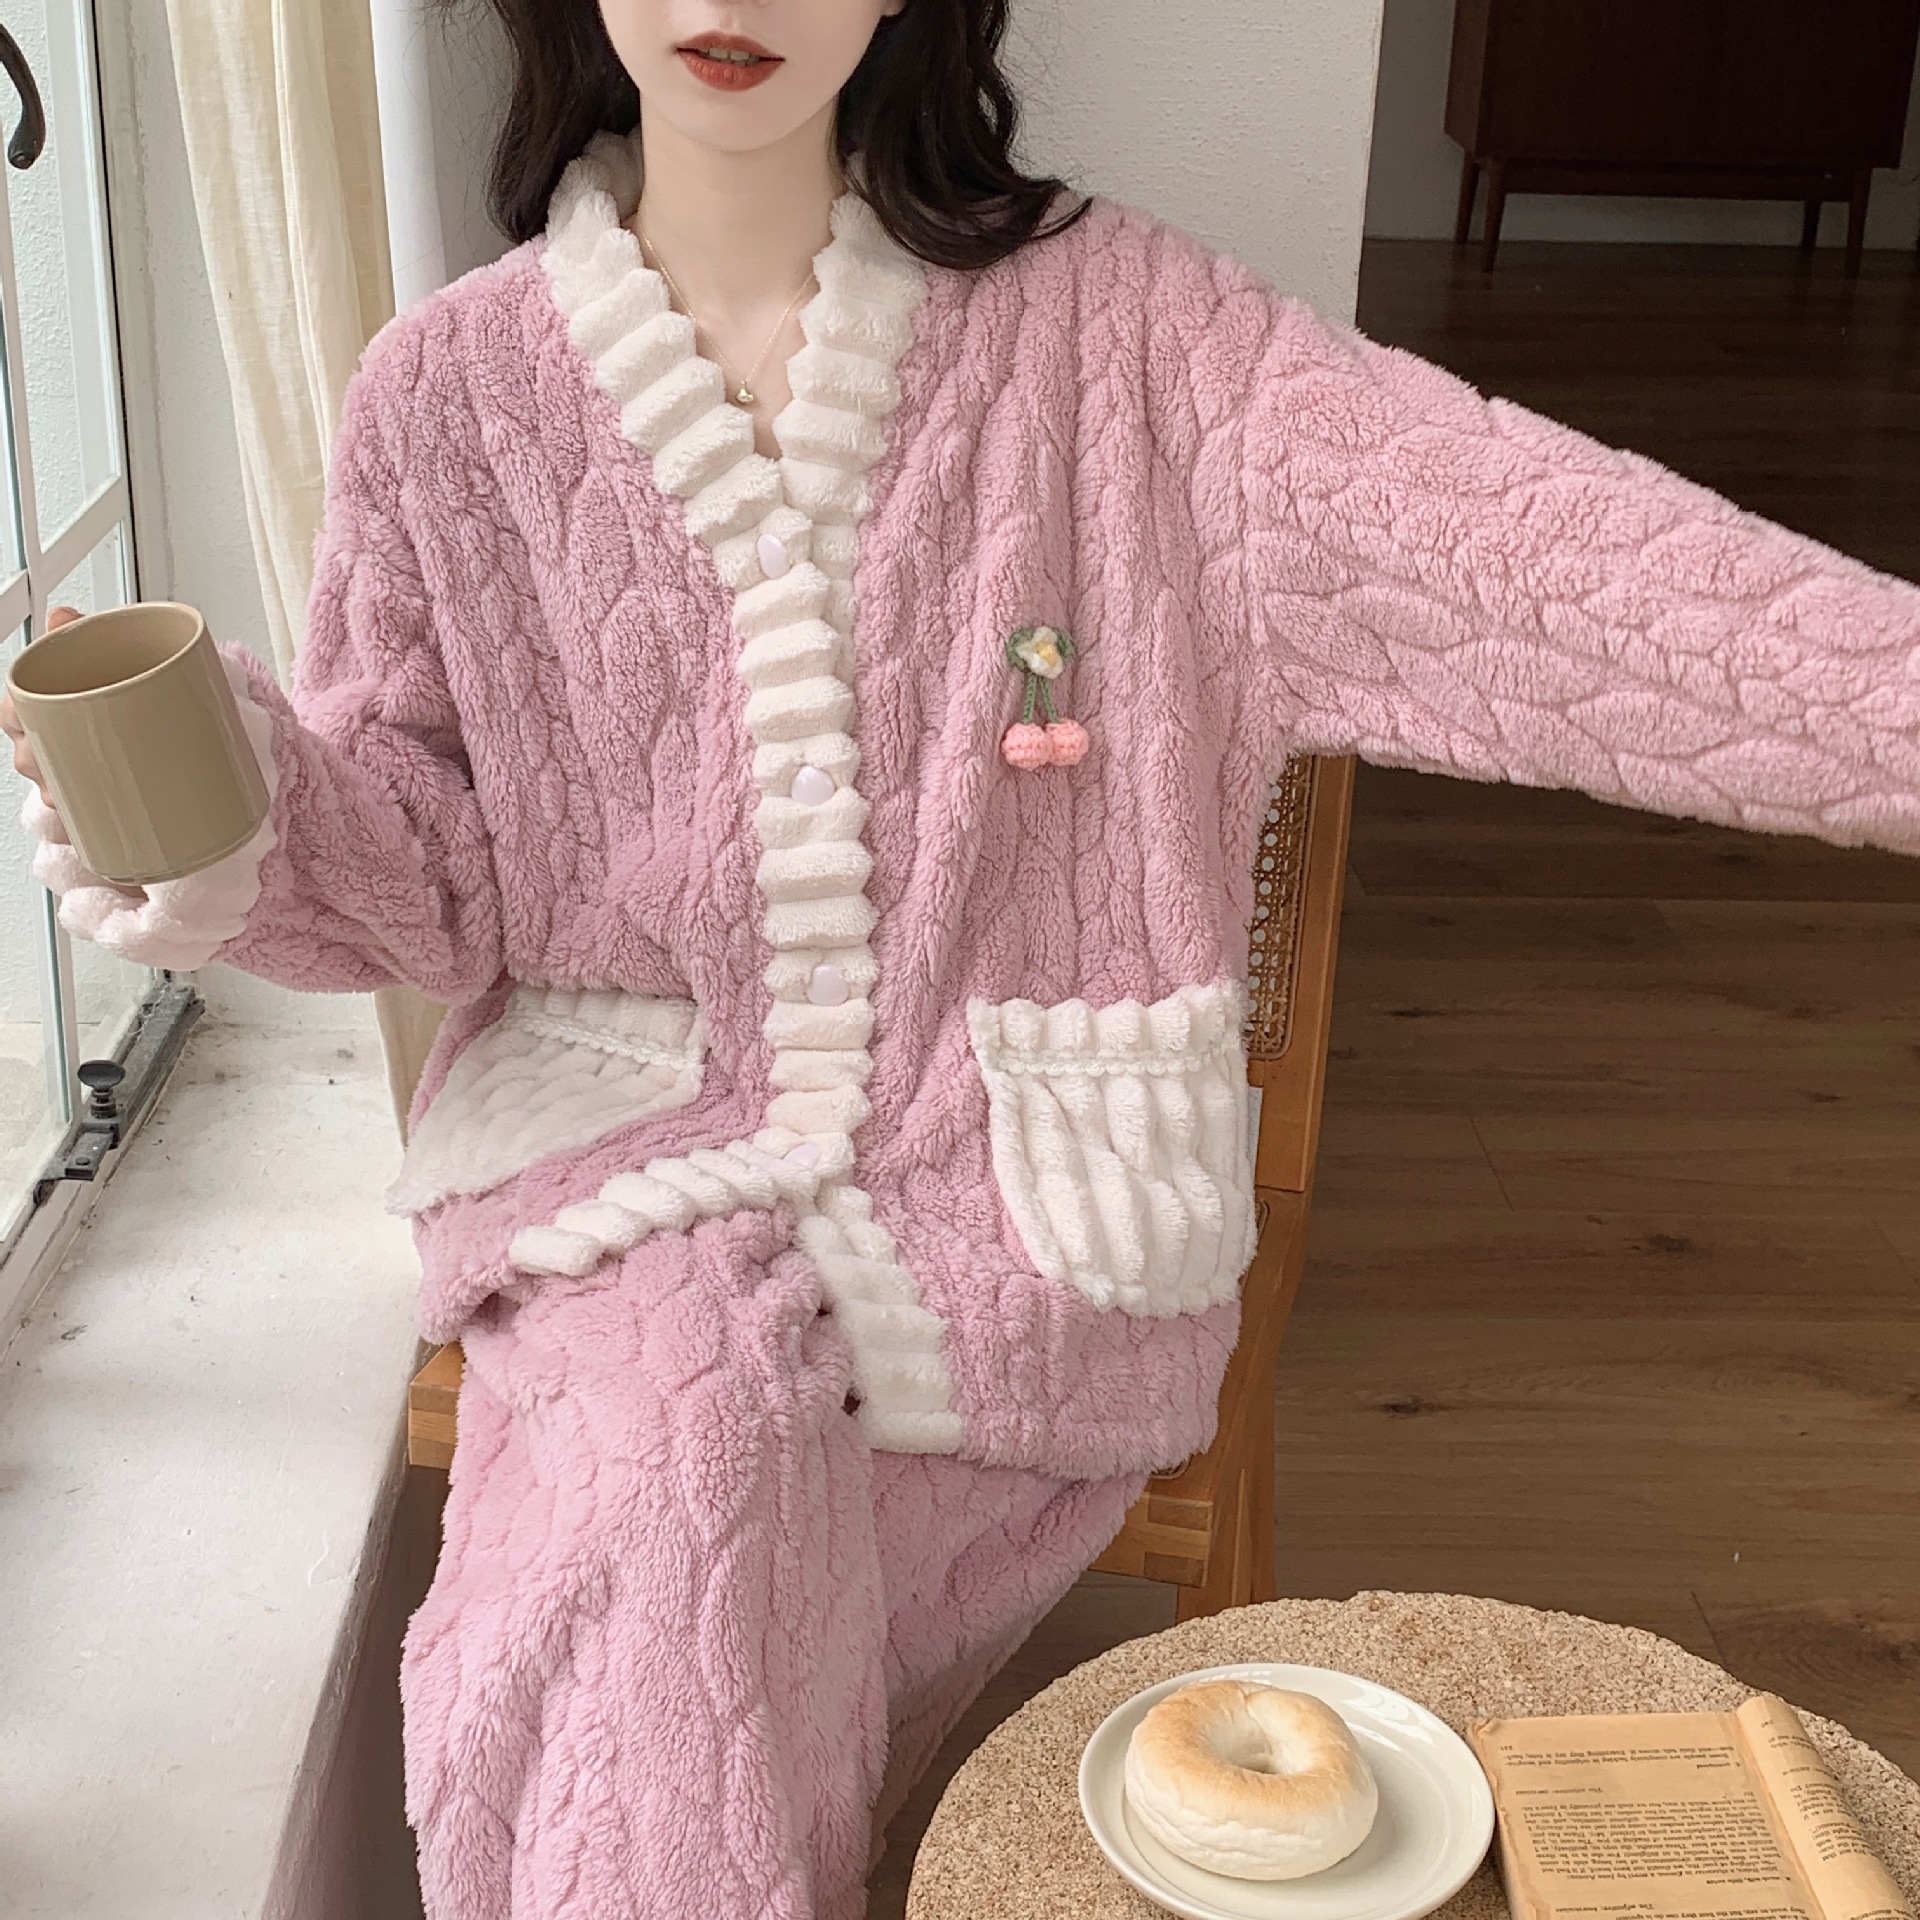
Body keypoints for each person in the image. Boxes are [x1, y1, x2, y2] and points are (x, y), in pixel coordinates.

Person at [8, 2, 1919, 1914]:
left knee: (681, 1569)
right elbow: (427, 874)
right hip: (619, 1169)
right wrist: (239, 823)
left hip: (1003, 1213)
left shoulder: (1140, 346)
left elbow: (1570, 575)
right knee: (671, 1480)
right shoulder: (445, 395)